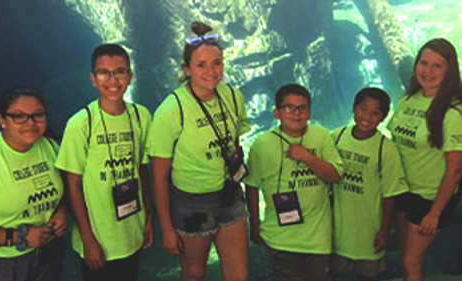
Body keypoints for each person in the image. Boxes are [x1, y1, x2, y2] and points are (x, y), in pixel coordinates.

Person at [147, 21, 251, 281]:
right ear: (187, 69)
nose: (211, 71)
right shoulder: (171, 109)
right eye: (201, 65)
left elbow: (234, 141)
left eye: (217, 62)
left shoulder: (232, 95)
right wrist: (166, 228)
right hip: (193, 202)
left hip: (230, 194)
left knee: (239, 275)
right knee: (194, 273)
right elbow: (158, 176)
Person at [55, 44, 154, 281]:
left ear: (129, 77)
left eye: (120, 72)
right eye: (103, 72)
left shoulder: (141, 116)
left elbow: (142, 168)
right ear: (93, 79)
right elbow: (73, 185)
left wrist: (148, 216)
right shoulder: (81, 123)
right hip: (98, 237)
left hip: (132, 230)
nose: (112, 80)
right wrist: (88, 239)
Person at [0, 86, 67, 281]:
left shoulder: (50, 146)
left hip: (48, 252)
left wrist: (61, 210)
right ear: (2, 120)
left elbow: (64, 187)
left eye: (37, 115)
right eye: (19, 116)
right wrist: (20, 237)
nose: (30, 123)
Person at [245, 83, 343, 281]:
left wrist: (307, 157)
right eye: (289, 107)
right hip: (279, 238)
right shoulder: (262, 144)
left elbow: (335, 175)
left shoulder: (321, 135)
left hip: (317, 237)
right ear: (277, 113)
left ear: (309, 112)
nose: (296, 113)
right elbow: (252, 186)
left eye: (302, 108)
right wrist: (255, 226)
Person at [387, 38, 462, 281]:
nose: (427, 71)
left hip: (429, 197)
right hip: (402, 190)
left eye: (437, 66)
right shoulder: (408, 99)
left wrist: (435, 213)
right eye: (423, 63)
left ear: (449, 71)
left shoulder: (453, 112)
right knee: (404, 254)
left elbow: (455, 171)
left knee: (411, 263)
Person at [329, 87, 409, 281]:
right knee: (329, 272)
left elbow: (390, 194)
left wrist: (384, 231)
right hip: (337, 231)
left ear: (383, 117)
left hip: (369, 233)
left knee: (367, 275)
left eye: (376, 113)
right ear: (354, 109)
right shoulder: (336, 137)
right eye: (363, 109)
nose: (367, 117)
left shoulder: (386, 149)